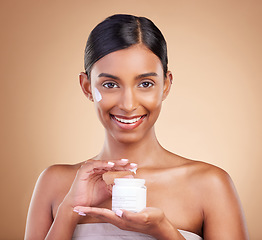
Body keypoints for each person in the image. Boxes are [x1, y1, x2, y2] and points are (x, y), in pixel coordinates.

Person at [24, 14, 249, 240]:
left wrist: (165, 231)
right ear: (87, 87)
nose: (129, 105)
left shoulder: (210, 185)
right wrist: (69, 211)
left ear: (166, 85)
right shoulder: (54, 183)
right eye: (110, 84)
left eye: (145, 84)